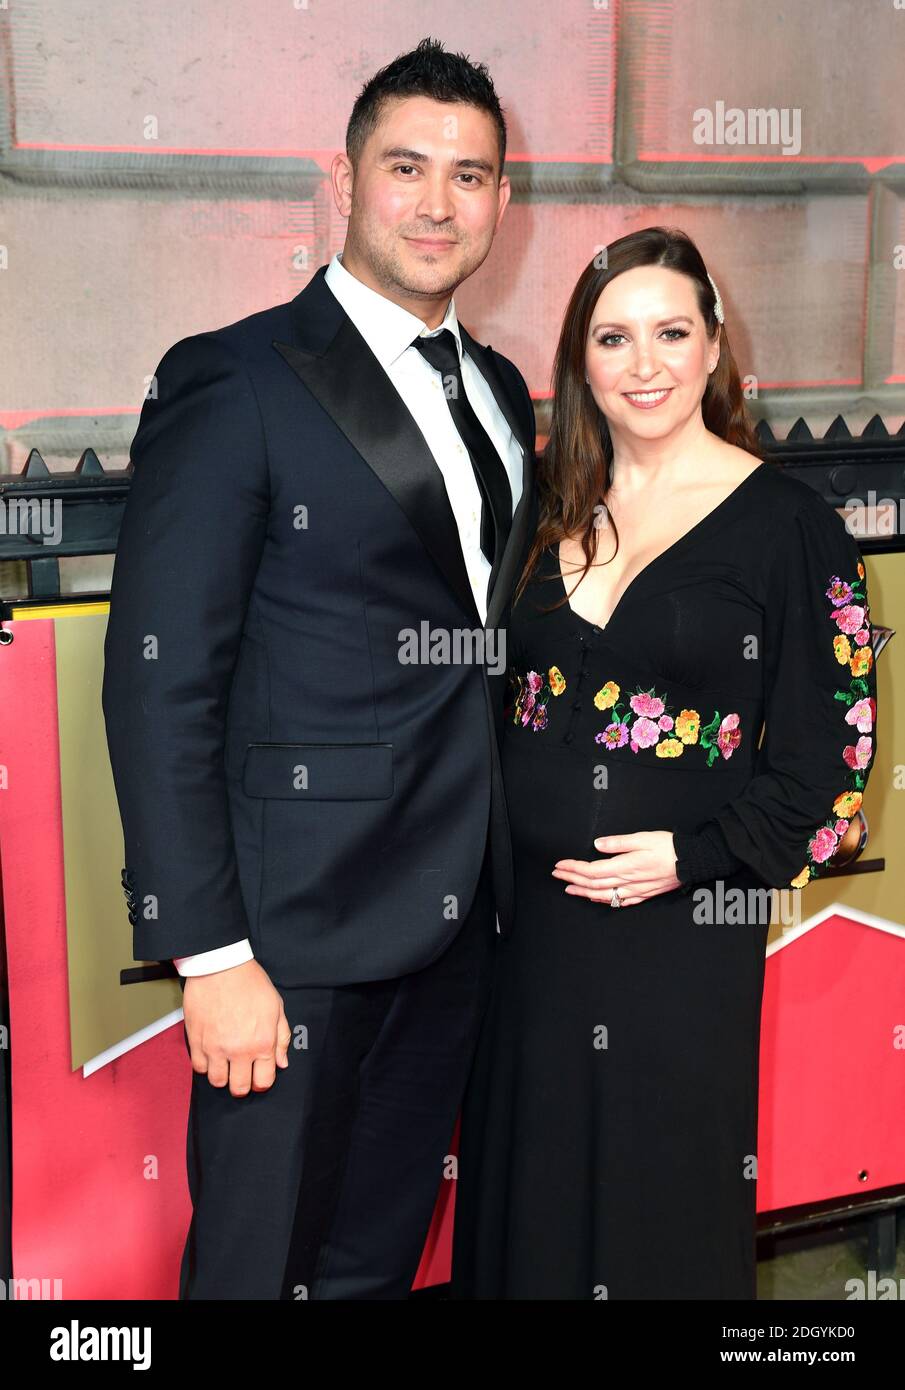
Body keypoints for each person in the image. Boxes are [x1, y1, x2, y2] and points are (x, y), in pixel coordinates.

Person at [102, 38, 538, 1299]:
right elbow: (158, 680)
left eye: (470, 175)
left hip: (456, 921)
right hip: (286, 940)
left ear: (503, 202)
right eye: (406, 167)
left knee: (373, 1261)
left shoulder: (504, 393)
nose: (438, 203)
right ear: (341, 183)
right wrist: (210, 954)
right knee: (256, 1266)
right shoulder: (231, 379)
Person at [449, 226, 878, 1300]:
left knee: (655, 1210)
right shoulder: (546, 506)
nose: (643, 364)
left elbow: (834, 769)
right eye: (612, 337)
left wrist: (690, 856)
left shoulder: (789, 524)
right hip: (527, 940)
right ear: (578, 361)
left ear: (713, 342)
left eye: (670, 332)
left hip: (677, 941)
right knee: (527, 1205)